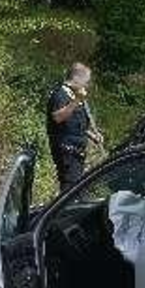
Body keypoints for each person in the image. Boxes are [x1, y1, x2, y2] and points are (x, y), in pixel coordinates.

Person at [47, 63, 103, 193]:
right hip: (66, 150)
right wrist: (77, 100)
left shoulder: (75, 96)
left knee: (75, 186)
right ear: (76, 78)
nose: (87, 85)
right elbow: (58, 117)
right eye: (86, 82)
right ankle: (64, 206)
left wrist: (93, 136)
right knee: (70, 188)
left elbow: (77, 123)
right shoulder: (60, 94)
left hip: (77, 151)